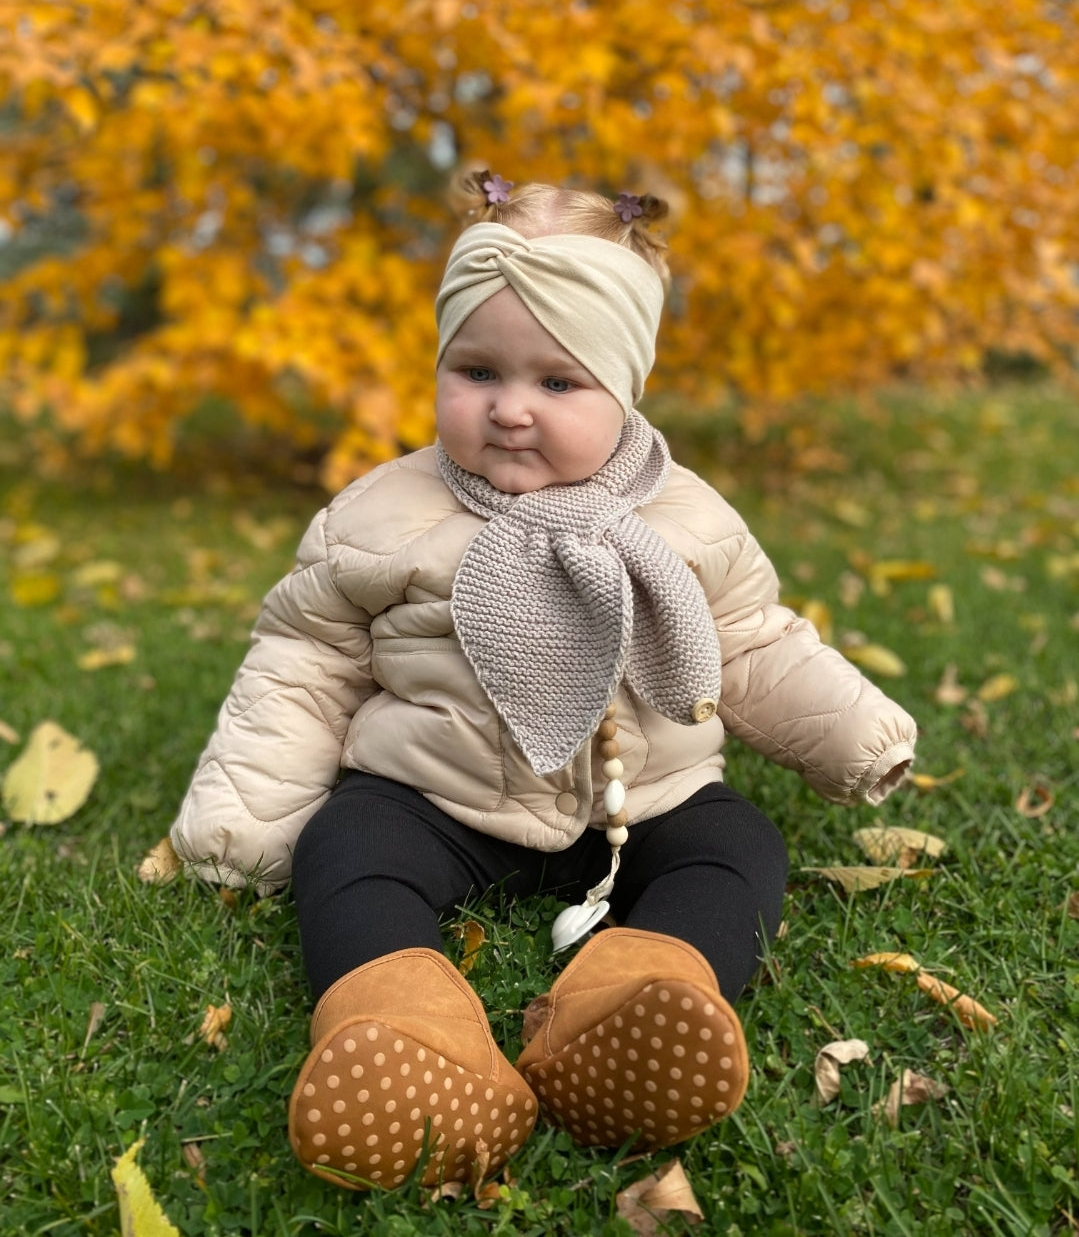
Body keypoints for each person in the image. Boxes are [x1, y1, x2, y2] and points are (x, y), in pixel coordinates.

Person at [169, 170, 917, 1193]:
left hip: (639, 801)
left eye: (557, 384)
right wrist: (245, 819)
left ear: (625, 391)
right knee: (347, 849)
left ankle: (643, 992)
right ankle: (404, 1032)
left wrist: (856, 734)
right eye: (476, 371)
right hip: (438, 795)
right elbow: (304, 662)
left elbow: (748, 640)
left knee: (735, 847)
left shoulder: (687, 521)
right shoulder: (383, 516)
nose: (510, 410)